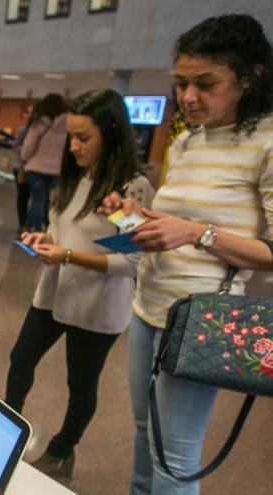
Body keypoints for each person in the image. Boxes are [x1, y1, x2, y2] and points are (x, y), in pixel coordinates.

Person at [97, 15, 273, 495]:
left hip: (201, 319)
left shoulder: (266, 141)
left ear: (249, 77)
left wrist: (197, 232)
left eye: (205, 84)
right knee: (142, 433)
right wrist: (132, 215)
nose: (189, 96)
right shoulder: (187, 139)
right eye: (181, 84)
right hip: (148, 305)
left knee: (173, 457)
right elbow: (171, 225)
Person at [5, 88, 155, 483]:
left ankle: (61, 450)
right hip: (54, 291)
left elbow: (132, 261)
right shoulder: (72, 178)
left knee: (80, 382)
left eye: (83, 138)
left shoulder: (131, 189)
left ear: (111, 133)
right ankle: (5, 428)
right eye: (71, 136)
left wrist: (68, 256)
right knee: (21, 358)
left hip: (98, 303)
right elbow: (60, 232)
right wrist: (44, 243)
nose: (73, 146)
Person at [21, 93, 68, 232]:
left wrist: (24, 159)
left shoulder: (40, 124)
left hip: (36, 168)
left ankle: (36, 229)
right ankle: (34, 226)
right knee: (49, 201)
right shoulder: (67, 126)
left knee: (37, 200)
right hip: (56, 170)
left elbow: (28, 146)